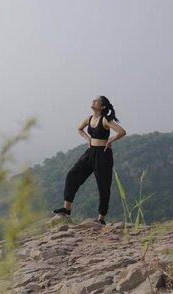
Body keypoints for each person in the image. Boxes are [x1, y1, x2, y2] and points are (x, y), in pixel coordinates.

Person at [53, 95, 126, 225]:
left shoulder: (105, 120)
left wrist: (110, 141)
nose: (93, 101)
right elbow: (79, 129)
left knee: (103, 186)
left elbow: (121, 132)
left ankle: (101, 218)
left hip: (103, 155)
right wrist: (88, 139)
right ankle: (66, 209)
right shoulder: (90, 118)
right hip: (90, 152)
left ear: (102, 106)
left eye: (97, 100)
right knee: (72, 175)